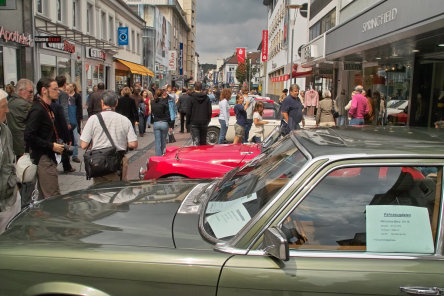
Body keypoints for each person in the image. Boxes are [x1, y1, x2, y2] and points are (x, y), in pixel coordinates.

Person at [80, 91, 138, 184]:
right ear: (116, 103)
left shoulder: (93, 119)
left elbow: (83, 145)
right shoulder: (124, 120)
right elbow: (133, 144)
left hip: (99, 162)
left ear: (102, 103)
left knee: (99, 191)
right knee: (118, 190)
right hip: (117, 161)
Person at [24, 78, 65, 199]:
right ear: (44, 90)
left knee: (45, 197)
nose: (58, 91)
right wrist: (51, 145)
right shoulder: (38, 109)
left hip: (49, 156)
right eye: (55, 89)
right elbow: (28, 135)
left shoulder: (48, 107)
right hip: (43, 157)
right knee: (53, 197)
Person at [0, 89, 21, 234]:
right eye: (3, 107)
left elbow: (10, 161)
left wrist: (16, 184)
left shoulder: (5, 130)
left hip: (9, 199)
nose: (7, 110)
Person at [5, 78, 34, 158]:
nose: (32, 94)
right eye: (30, 91)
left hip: (15, 142)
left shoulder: (11, 101)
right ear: (21, 90)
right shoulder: (24, 104)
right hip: (25, 143)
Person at [55, 75, 74, 172]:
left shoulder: (55, 93)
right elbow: (64, 109)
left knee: (60, 142)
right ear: (64, 84)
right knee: (64, 142)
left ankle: (65, 164)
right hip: (61, 122)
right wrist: (67, 122)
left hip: (55, 121)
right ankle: (66, 166)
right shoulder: (63, 94)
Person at [150, 89, 170, 156]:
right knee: (163, 141)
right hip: (164, 122)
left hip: (156, 122)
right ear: (162, 94)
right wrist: (170, 124)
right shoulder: (164, 102)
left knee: (157, 141)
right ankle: (163, 154)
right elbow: (168, 114)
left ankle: (158, 157)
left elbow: (152, 112)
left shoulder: (152, 102)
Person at [66, 83, 81, 163]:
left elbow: (78, 109)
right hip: (67, 122)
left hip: (74, 121)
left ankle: (74, 155)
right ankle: (67, 156)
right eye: (66, 90)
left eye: (69, 89)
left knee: (75, 139)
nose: (67, 91)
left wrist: (79, 119)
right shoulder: (63, 98)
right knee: (67, 140)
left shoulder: (76, 97)